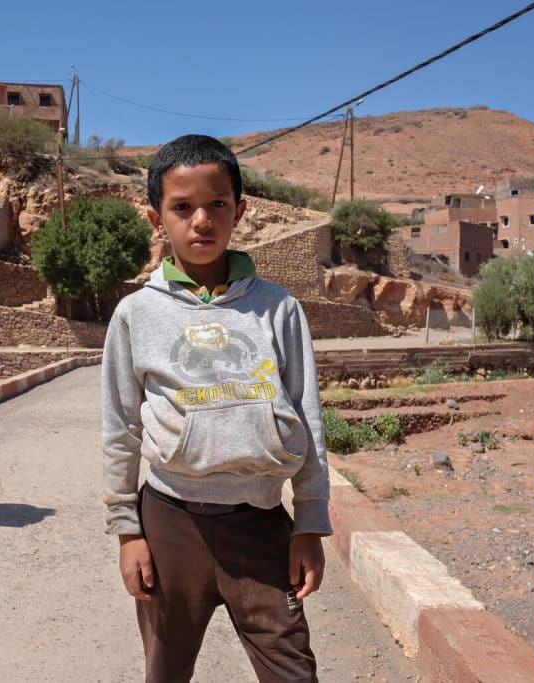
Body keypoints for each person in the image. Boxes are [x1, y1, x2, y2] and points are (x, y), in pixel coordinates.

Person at [101, 134, 331, 682]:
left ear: (240, 211)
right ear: (157, 217)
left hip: (260, 523)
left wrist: (310, 523)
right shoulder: (137, 314)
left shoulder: (278, 309)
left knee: (292, 670)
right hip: (169, 524)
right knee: (167, 670)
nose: (201, 220)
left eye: (217, 204)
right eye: (182, 207)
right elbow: (120, 428)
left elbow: (309, 416)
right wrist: (127, 531)